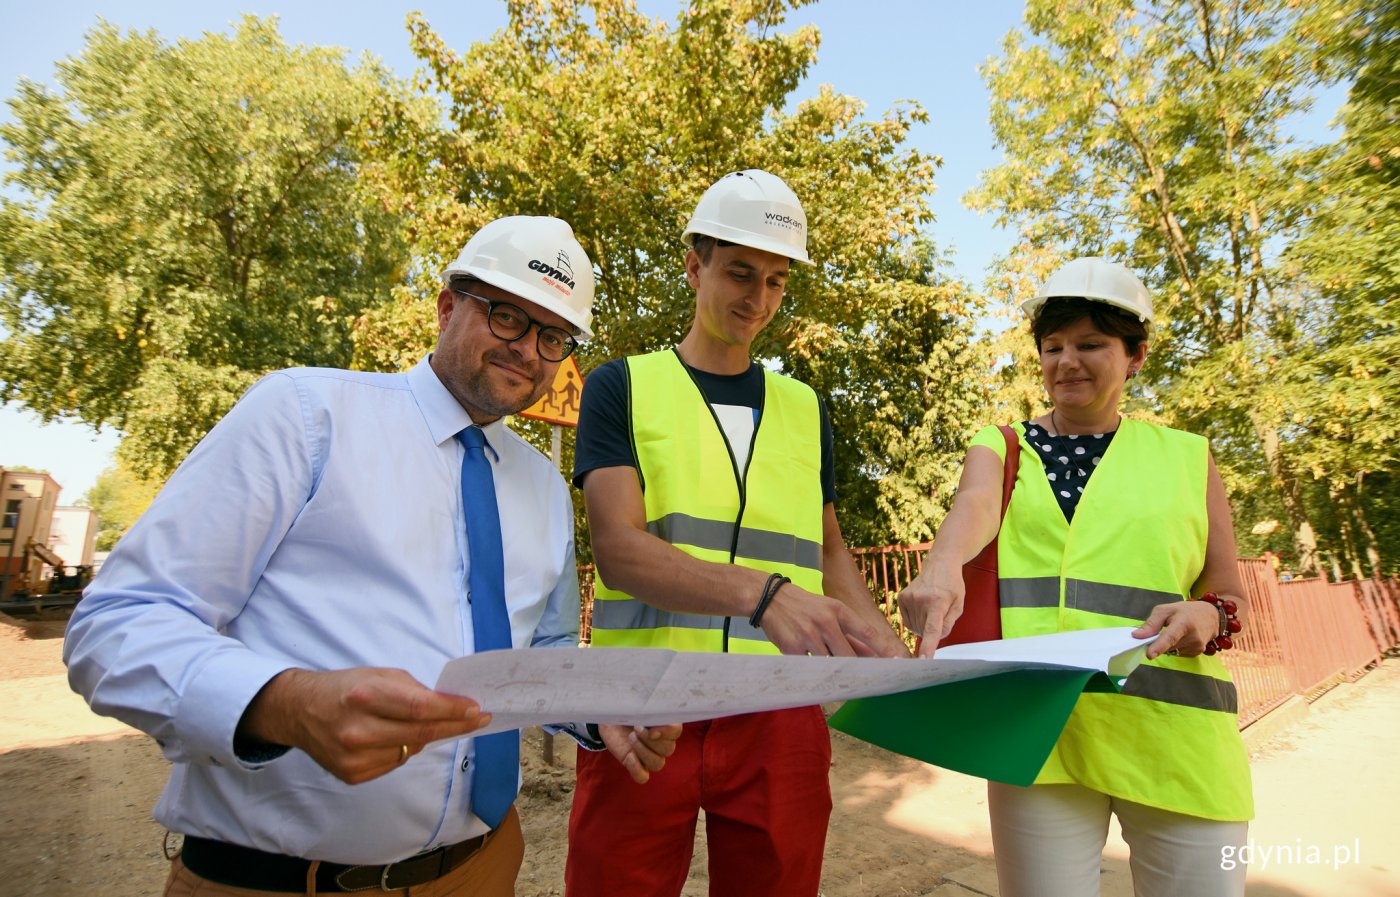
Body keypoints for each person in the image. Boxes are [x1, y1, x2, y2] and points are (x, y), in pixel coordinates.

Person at [64, 216, 679, 897]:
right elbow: (115, 625)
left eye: (552, 335)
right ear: (448, 305)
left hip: (479, 869)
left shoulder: (542, 488)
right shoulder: (304, 416)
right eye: (507, 316)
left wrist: (597, 709)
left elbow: (541, 657)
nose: (528, 349)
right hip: (278, 881)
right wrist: (281, 704)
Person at [565, 170, 910, 897]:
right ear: (695, 267)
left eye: (778, 281)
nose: (758, 299)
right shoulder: (620, 386)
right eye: (740, 273)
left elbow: (826, 550)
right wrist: (764, 593)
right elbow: (619, 551)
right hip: (647, 704)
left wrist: (878, 638)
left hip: (779, 707)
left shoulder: (805, 407)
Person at [897, 257, 1253, 897]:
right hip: (1038, 736)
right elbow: (974, 506)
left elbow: (1228, 593)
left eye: (1091, 344)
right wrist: (942, 565)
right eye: (1053, 346)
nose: (1067, 360)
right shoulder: (1002, 445)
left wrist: (1209, 615)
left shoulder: (1187, 456)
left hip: (1174, 740)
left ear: (1135, 355)